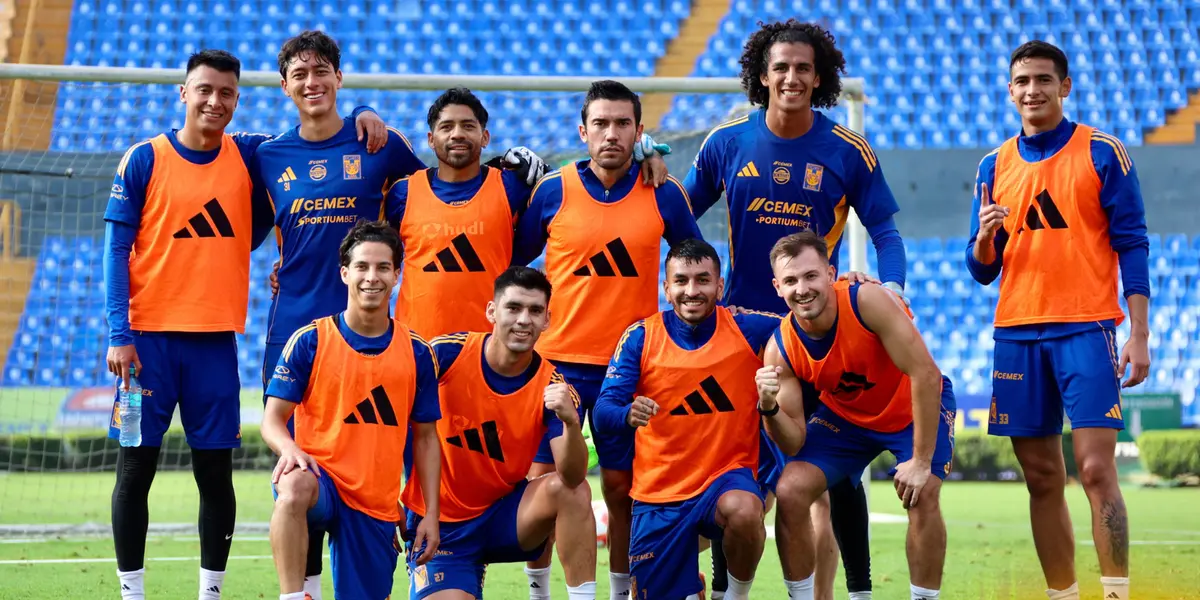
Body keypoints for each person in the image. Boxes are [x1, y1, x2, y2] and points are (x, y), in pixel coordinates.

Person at [682, 19, 906, 599]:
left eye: (803, 67)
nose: (791, 77)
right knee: (736, 468)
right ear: (762, 75)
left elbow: (883, 228)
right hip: (742, 333)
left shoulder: (846, 148)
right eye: (780, 66)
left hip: (816, 333)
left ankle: (852, 590)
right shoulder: (726, 142)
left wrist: (894, 286)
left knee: (830, 470)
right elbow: (679, 216)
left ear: (820, 76)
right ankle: (727, 587)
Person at [966, 40, 1150, 600]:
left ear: (1064, 87)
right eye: (1021, 81)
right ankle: (1062, 594)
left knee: (1096, 472)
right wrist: (984, 239)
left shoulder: (1103, 153)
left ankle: (1116, 593)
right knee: (1041, 478)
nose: (1032, 90)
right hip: (1017, 333)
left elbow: (1133, 244)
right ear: (1010, 90)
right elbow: (980, 269)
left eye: (1043, 80)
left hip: (1086, 327)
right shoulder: (992, 165)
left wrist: (1139, 334)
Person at [103, 49, 286, 600]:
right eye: (204, 89)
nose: (214, 100)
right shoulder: (144, 158)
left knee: (215, 476)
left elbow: (309, 147)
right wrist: (119, 332)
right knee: (136, 471)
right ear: (184, 92)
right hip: (147, 346)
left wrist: (367, 117)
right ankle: (131, 592)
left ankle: (211, 592)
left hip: (214, 345)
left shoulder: (249, 156)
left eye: (226, 92)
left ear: (237, 100)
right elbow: (115, 249)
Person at [511, 79, 702, 600]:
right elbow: (511, 261)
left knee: (622, 490)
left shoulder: (663, 190)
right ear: (583, 131)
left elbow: (695, 264)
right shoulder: (553, 191)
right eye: (601, 123)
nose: (611, 133)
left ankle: (622, 593)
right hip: (559, 368)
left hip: (632, 369)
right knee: (546, 484)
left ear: (640, 132)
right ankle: (539, 592)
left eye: (623, 124)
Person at [252, 31, 411, 594]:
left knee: (371, 457)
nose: (312, 83)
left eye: (322, 72)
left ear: (339, 78)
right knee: (300, 476)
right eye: (300, 74)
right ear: (284, 86)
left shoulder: (381, 144)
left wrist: (370, 113)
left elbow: (437, 192)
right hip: (295, 329)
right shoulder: (266, 153)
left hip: (370, 336)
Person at [593, 238, 793, 600]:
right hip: (659, 495)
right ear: (666, 288)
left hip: (725, 480)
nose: (692, 290)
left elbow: (811, 323)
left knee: (745, 511)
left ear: (719, 286)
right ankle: (691, 589)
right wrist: (627, 413)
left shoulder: (750, 329)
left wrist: (852, 288)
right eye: (681, 281)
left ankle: (734, 595)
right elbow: (604, 412)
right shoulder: (641, 337)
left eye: (703, 280)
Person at [764, 231, 954, 600]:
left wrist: (920, 460)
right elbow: (794, 440)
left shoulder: (866, 300)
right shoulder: (781, 347)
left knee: (924, 489)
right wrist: (768, 407)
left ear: (831, 273)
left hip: (909, 409)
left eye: (810, 276)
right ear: (777, 287)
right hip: (847, 419)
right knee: (789, 490)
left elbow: (925, 374)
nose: (802, 288)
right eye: (790, 280)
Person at [262, 220, 442, 600]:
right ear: (345, 273)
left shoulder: (418, 353)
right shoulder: (310, 340)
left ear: (396, 274)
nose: (371, 277)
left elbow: (426, 440)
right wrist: (291, 450)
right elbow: (272, 421)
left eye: (382, 267)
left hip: (374, 502)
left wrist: (428, 513)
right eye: (361, 266)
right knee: (292, 485)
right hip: (320, 481)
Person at [400, 266, 597, 599]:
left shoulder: (555, 387)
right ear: (492, 311)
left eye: (535, 311)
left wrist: (571, 422)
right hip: (440, 526)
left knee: (572, 492)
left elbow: (574, 475)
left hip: (505, 517)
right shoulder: (446, 355)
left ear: (547, 320)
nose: (524, 320)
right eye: (514, 307)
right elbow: (392, 410)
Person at [387, 87, 540, 340]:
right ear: (430, 138)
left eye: (468, 126)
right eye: (446, 127)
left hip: (490, 349)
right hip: (419, 345)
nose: (457, 134)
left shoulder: (512, 187)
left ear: (485, 137)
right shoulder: (402, 193)